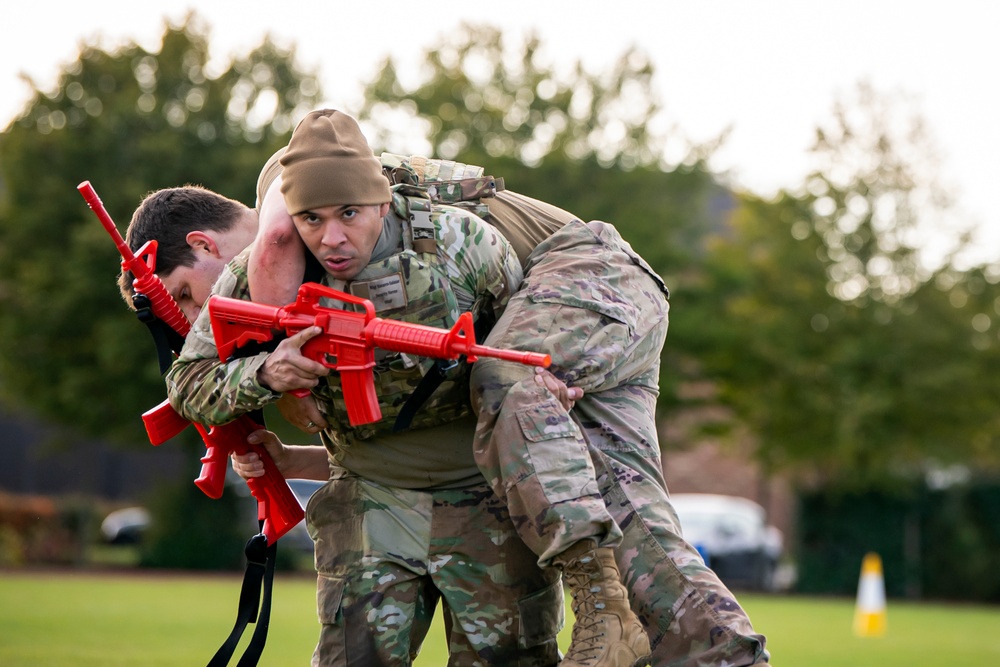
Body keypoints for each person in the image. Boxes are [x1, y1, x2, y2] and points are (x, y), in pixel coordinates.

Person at [161, 109, 570, 667]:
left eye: (349, 213)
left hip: (487, 498)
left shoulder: (463, 243)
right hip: (370, 501)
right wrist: (265, 374)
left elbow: (543, 345)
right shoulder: (255, 274)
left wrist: (559, 388)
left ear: (383, 200)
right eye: (310, 218)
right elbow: (186, 385)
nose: (331, 238)